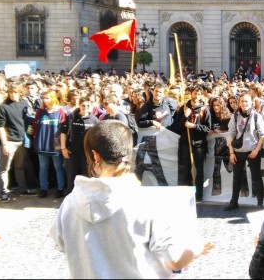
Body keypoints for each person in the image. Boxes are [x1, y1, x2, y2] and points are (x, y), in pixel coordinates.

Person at [50, 120, 202, 278]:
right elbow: (174, 261)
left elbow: (60, 243)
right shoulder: (145, 202)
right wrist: (194, 248)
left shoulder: (69, 203)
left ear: (94, 156)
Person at [225, 93, 264, 210]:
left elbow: (263, 135)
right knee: (236, 177)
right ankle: (234, 202)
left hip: (252, 150)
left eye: (247, 101)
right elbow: (231, 134)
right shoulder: (235, 116)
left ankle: (260, 202)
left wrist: (256, 150)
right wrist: (232, 152)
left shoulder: (256, 116)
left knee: (256, 176)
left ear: (251, 103)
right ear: (239, 102)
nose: (244, 103)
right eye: (242, 101)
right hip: (238, 151)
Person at [31, 90, 68, 198]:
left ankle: (60, 188)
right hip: (42, 143)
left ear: (53, 98)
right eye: (44, 98)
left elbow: (63, 129)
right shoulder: (40, 112)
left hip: (55, 144)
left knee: (58, 167)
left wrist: (62, 145)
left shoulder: (60, 111)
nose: (45, 100)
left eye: (47, 98)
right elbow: (35, 125)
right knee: (43, 168)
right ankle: (43, 188)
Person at [59, 97, 99, 195]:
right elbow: (63, 132)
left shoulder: (95, 120)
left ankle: (85, 200)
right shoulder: (72, 117)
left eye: (88, 105)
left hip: (87, 154)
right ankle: (69, 200)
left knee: (86, 177)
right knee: (71, 178)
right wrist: (63, 148)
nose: (85, 107)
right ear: (79, 105)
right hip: (72, 152)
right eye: (83, 105)